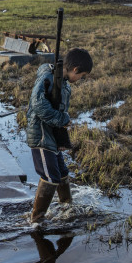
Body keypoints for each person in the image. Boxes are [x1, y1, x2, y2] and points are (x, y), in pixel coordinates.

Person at [26, 48, 92, 224]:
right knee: (50, 176)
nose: (81, 79)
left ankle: (66, 206)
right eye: (82, 76)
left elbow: (59, 108)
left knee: (62, 172)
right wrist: (63, 119)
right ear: (75, 69)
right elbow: (38, 105)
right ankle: (36, 219)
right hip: (41, 136)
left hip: (51, 136)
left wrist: (62, 138)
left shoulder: (64, 83)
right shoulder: (48, 77)